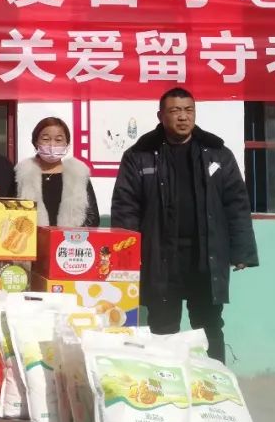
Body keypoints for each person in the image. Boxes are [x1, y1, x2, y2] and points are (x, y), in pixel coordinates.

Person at [110, 87, 259, 363]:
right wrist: (128, 255)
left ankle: (214, 381)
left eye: (188, 110)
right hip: (161, 257)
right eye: (175, 111)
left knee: (209, 325)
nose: (183, 117)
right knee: (162, 327)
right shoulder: (140, 155)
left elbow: (236, 203)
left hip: (205, 255)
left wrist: (242, 251)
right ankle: (166, 382)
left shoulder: (217, 153)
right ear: (161, 116)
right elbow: (126, 207)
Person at [15, 117, 100, 227]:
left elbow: (92, 217)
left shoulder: (78, 175)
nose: (52, 145)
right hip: (33, 237)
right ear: (36, 142)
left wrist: (73, 235)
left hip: (70, 238)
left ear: (67, 144)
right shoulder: (23, 175)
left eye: (58, 140)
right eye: (46, 139)